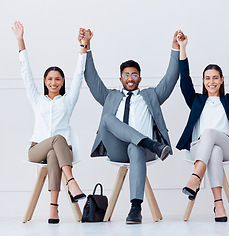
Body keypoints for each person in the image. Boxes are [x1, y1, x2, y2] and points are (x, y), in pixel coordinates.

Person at [78, 28, 181, 224]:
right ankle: (152, 144)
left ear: (139, 79)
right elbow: (91, 78)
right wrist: (87, 47)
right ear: (121, 79)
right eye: (126, 74)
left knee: (135, 147)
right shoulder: (110, 96)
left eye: (134, 74)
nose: (130, 78)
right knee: (107, 118)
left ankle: (135, 208)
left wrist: (175, 47)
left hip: (142, 152)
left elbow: (170, 78)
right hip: (118, 149)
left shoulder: (151, 96)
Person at [12, 21, 87, 224]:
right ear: (45, 82)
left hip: (62, 152)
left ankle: (53, 209)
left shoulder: (68, 101)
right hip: (37, 149)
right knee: (56, 139)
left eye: (58, 79)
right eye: (50, 79)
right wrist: (20, 40)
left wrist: (84, 47)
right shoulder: (37, 100)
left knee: (55, 151)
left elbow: (79, 75)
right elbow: (26, 74)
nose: (54, 82)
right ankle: (71, 182)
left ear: (63, 82)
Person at [176, 32, 229, 222]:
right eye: (207, 78)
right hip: (199, 148)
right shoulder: (196, 100)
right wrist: (183, 47)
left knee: (211, 134)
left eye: (215, 78)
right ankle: (219, 204)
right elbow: (184, 79)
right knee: (214, 151)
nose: (211, 82)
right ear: (203, 81)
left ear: (221, 80)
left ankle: (196, 177)